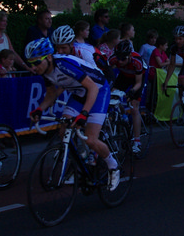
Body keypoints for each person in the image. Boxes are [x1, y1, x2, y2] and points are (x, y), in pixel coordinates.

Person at [24, 37, 120, 190]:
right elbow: (51, 94)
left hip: (98, 90)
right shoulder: (44, 70)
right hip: (79, 93)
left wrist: (84, 114)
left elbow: (92, 88)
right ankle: (80, 161)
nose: (33, 67)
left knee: (90, 139)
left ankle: (113, 166)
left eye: (36, 62)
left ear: (49, 57)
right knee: (64, 130)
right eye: (30, 64)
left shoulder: (63, 65)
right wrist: (40, 109)